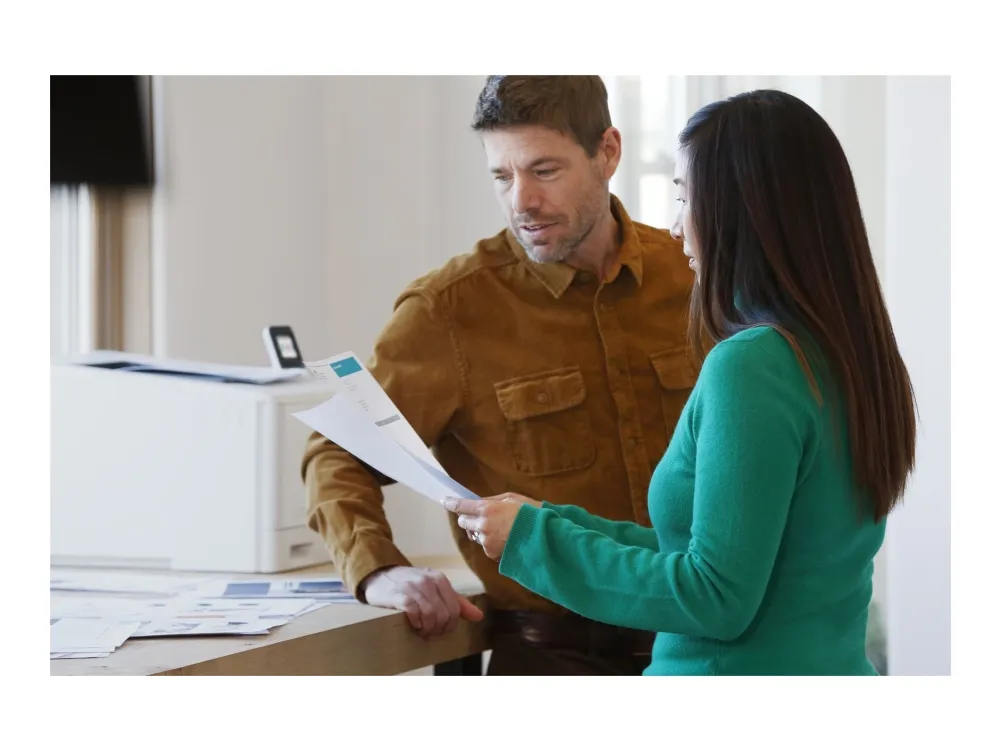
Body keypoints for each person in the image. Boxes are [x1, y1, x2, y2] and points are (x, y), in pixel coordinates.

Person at [446, 89, 917, 676]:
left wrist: (534, 542)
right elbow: (718, 553)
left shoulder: (752, 364)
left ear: (743, 211)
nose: (675, 227)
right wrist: (550, 526)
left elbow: (713, 594)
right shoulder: (848, 354)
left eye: (685, 198)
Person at [300, 75, 695, 675]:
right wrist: (378, 569)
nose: (521, 201)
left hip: (711, 647)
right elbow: (337, 451)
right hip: (552, 662)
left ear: (608, 152)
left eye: (544, 170)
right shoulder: (449, 311)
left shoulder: (695, 276)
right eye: (502, 176)